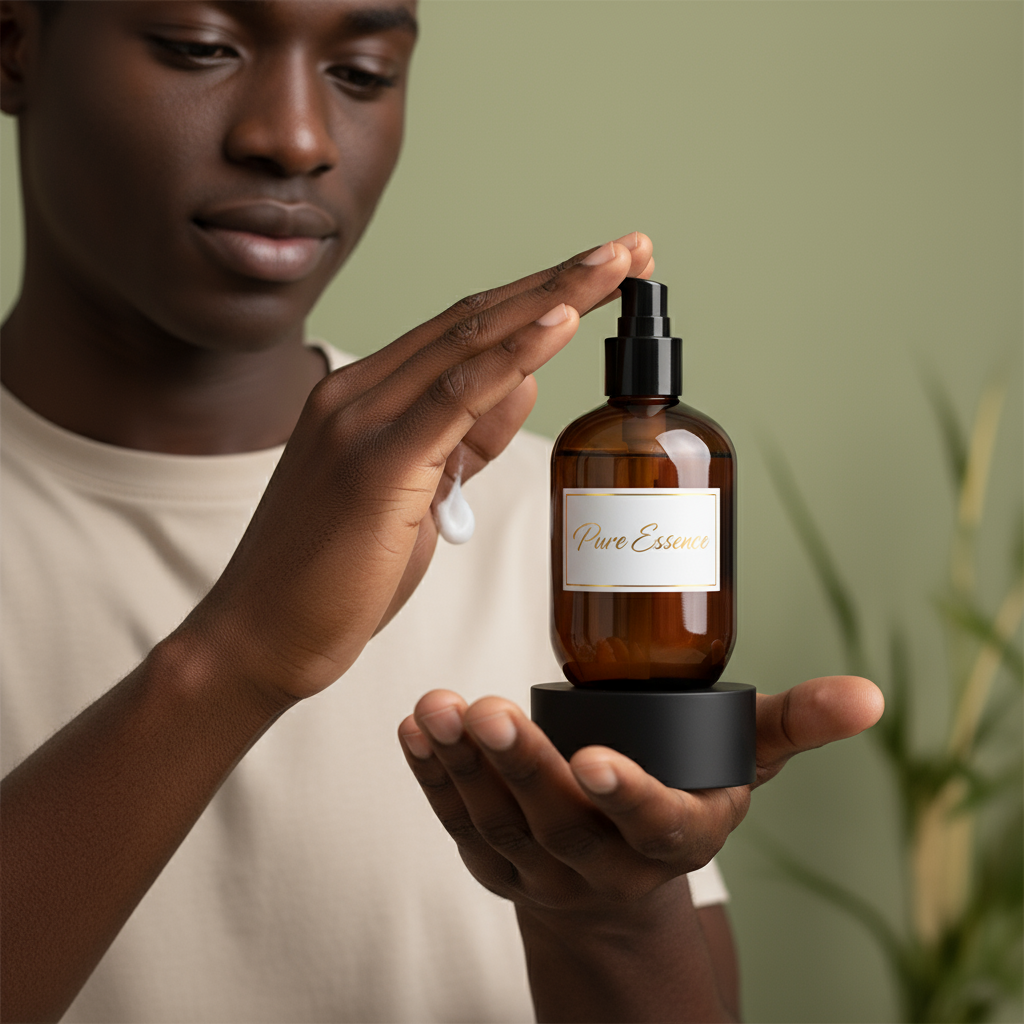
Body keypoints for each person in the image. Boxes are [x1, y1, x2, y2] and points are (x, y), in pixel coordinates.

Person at [0, 2, 883, 1022]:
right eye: (203, 47)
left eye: (363, 72)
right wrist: (238, 655)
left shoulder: (576, 529)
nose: (296, 137)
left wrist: (609, 916)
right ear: (15, 44)